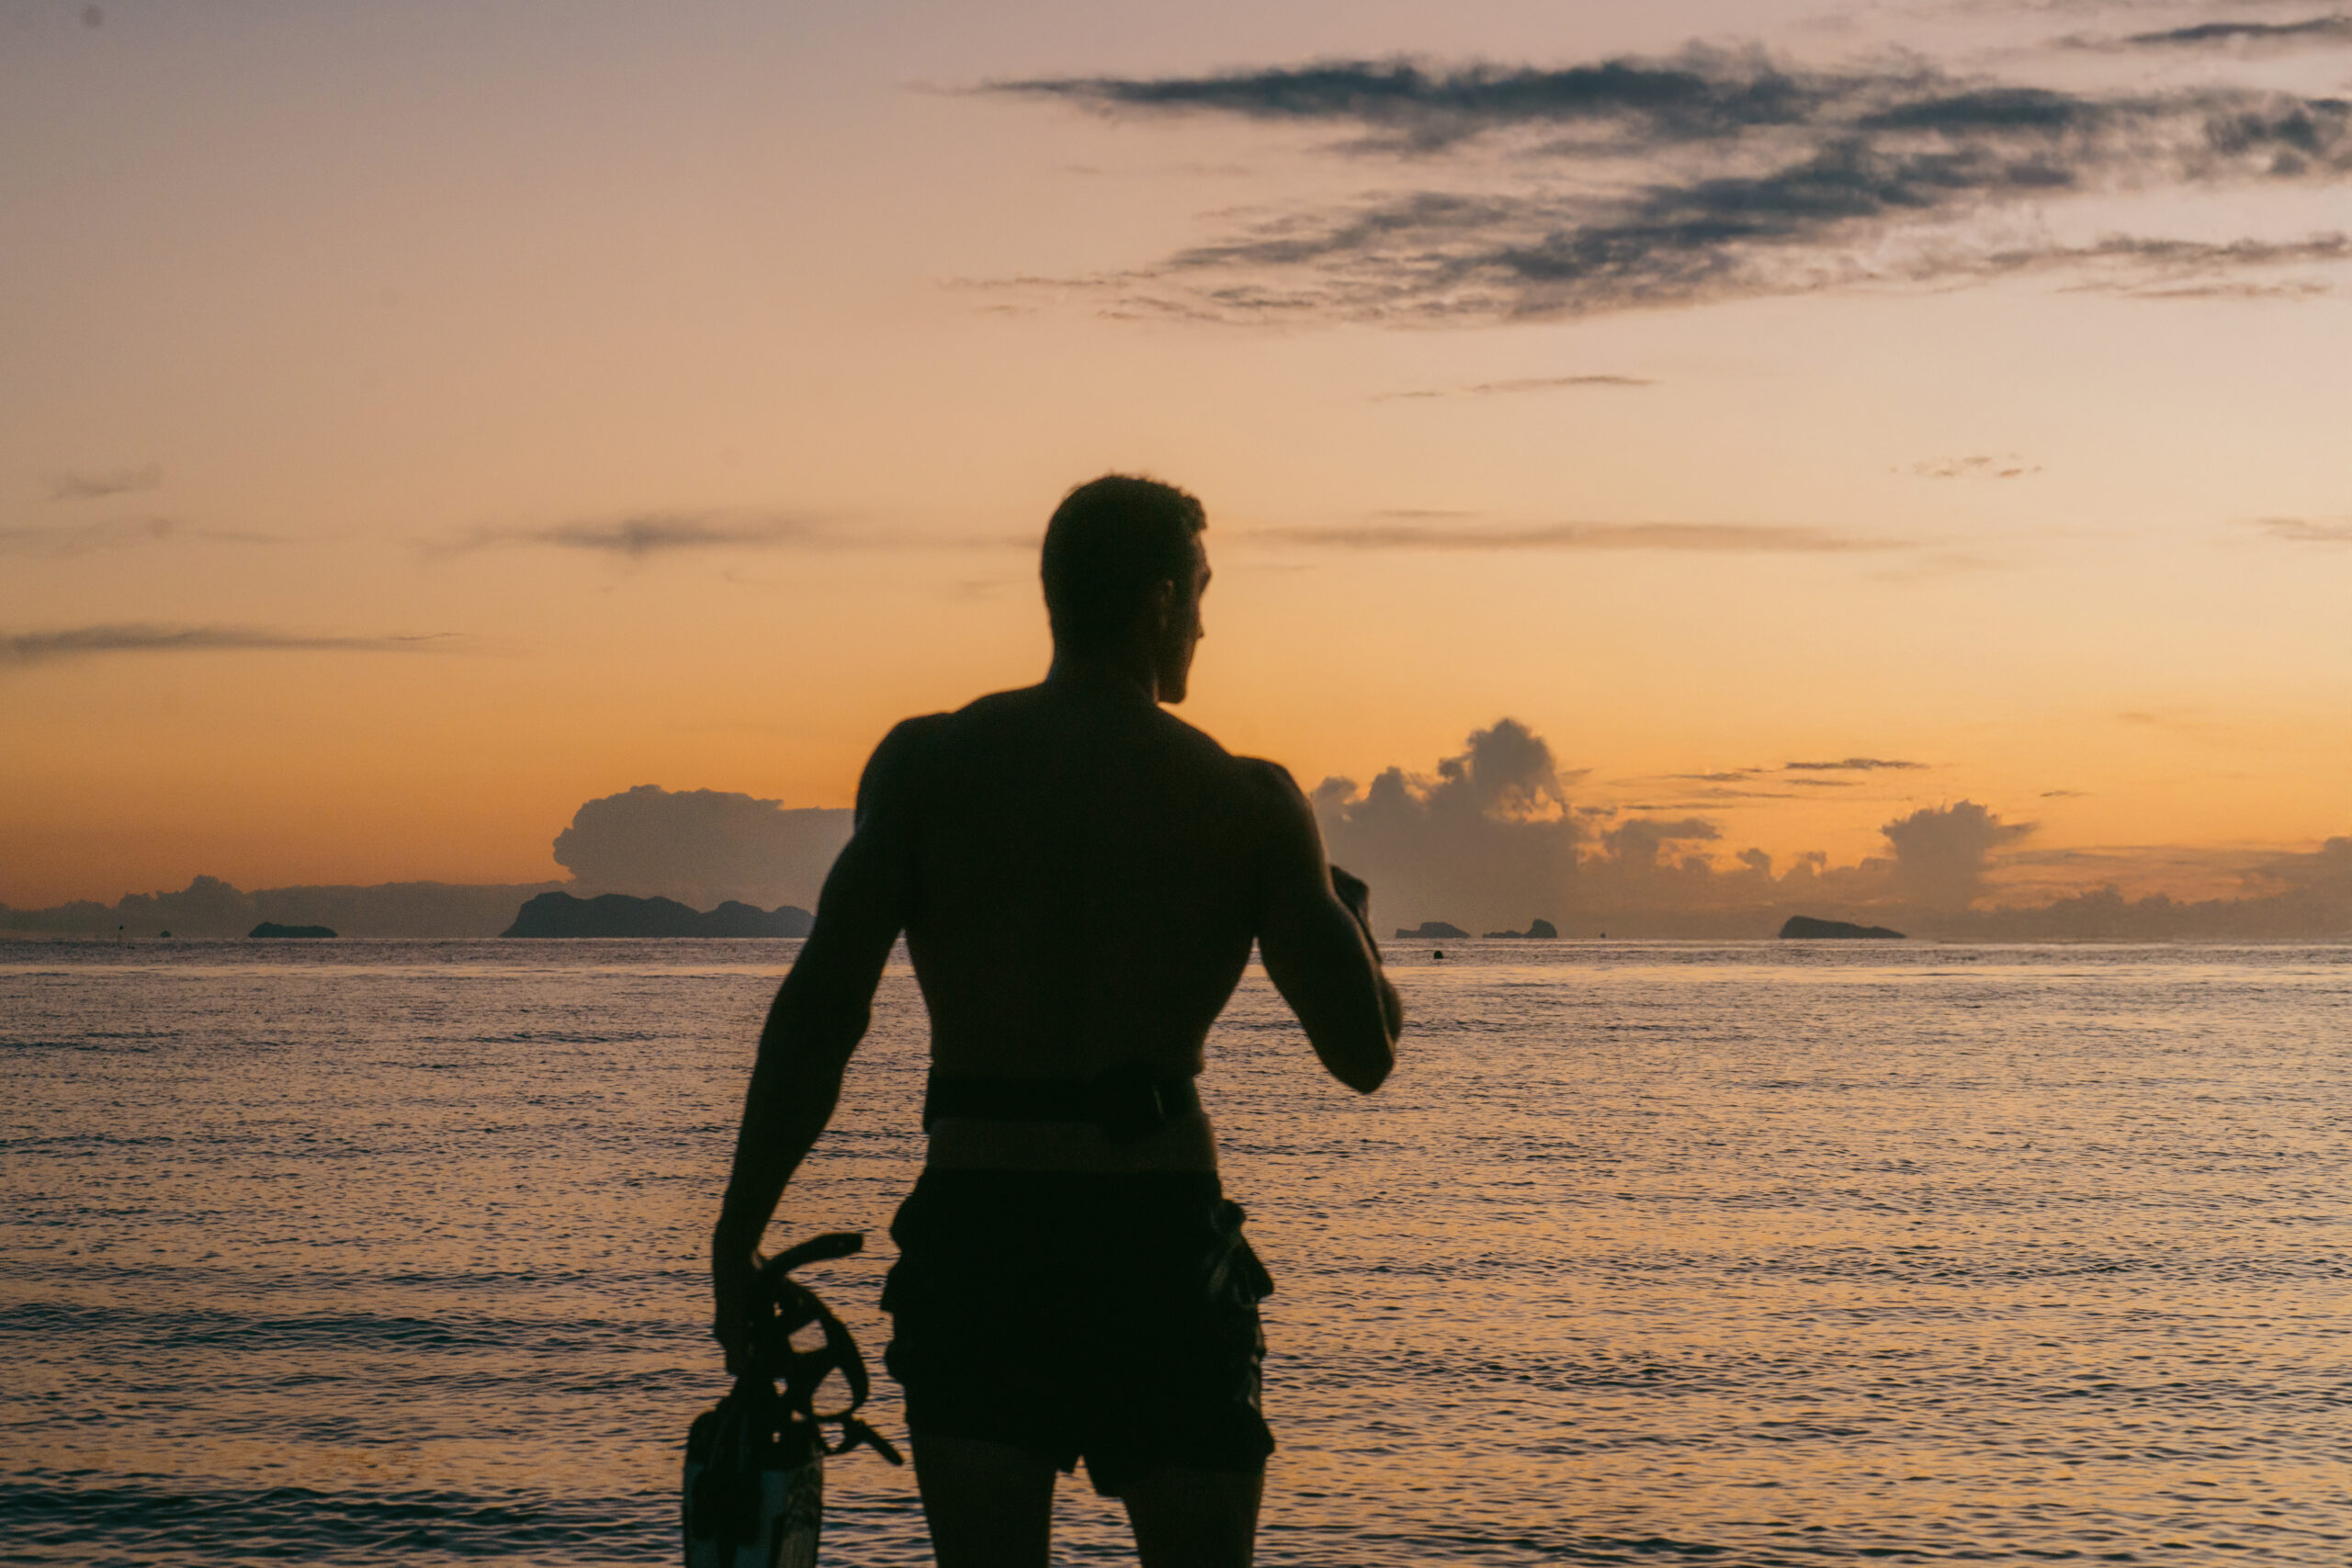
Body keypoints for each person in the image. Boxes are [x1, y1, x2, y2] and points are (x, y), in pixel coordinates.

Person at [710, 474, 1403, 1568]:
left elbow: (822, 1013)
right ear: (1159, 601)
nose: (1208, 626)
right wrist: (1355, 931)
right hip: (1157, 1245)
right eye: (1203, 597)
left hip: (983, 1239)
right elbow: (1363, 1055)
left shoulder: (925, 768)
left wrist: (737, 1229)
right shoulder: (1247, 800)